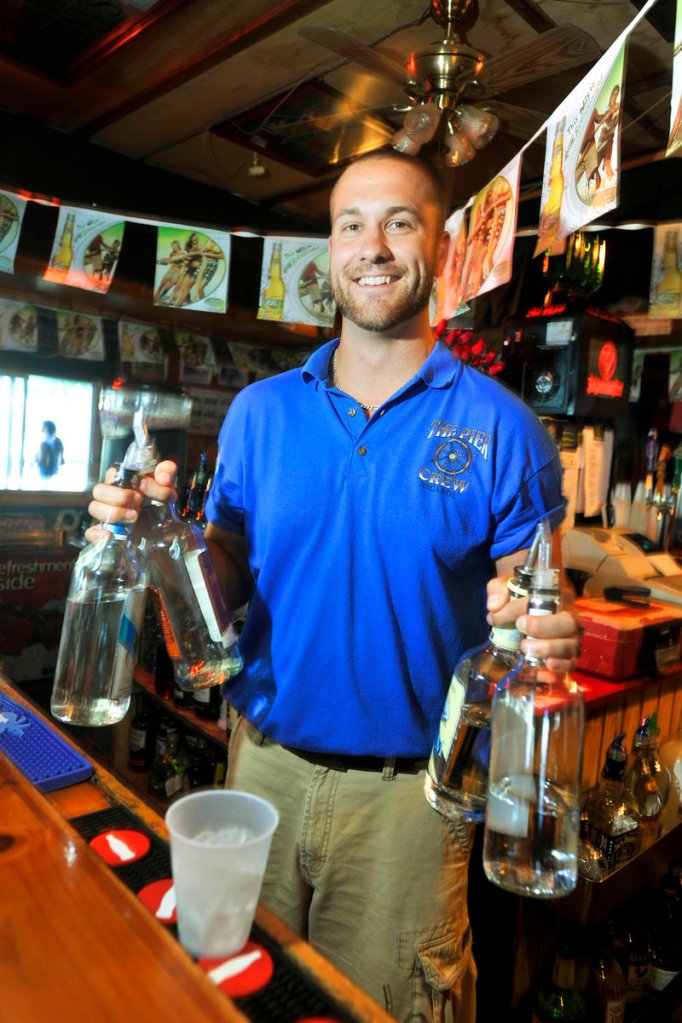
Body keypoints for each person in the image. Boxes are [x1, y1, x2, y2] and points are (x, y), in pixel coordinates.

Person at [88, 150, 580, 1023]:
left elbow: (531, 601)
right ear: (330, 249)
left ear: (443, 245)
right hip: (260, 768)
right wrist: (157, 538)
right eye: (352, 223)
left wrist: (543, 629)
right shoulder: (260, 411)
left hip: (409, 809)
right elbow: (227, 579)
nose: (373, 246)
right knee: (226, 997)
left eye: (399, 221)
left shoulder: (505, 428)